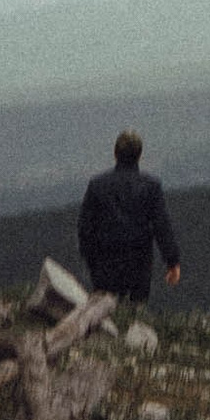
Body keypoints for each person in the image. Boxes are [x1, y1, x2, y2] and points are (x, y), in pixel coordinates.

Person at [76, 129, 182, 303]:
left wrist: (90, 259)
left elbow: (85, 226)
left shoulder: (97, 185)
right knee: (135, 312)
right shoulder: (151, 186)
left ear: (115, 153)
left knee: (103, 311)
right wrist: (172, 261)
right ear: (139, 155)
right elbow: (161, 226)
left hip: (104, 263)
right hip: (138, 263)